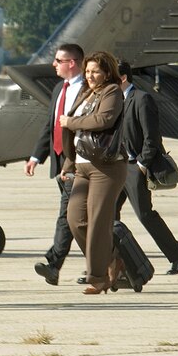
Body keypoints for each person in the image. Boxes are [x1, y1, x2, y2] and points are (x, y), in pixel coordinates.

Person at [59, 50, 128, 295]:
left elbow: (103, 120)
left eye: (95, 71)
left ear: (107, 72)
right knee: (75, 220)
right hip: (81, 166)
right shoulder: (87, 92)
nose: (90, 75)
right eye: (87, 71)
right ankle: (112, 260)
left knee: (98, 222)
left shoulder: (112, 92)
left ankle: (98, 279)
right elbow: (77, 135)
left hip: (106, 168)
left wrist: (70, 122)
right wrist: (68, 165)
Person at [115, 61, 178, 275]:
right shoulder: (111, 101)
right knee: (108, 217)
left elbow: (152, 138)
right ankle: (117, 264)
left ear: (122, 78)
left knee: (145, 215)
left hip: (133, 167)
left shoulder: (141, 99)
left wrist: (141, 165)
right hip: (116, 167)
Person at [24, 43, 85, 286]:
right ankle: (116, 265)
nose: (53, 65)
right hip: (59, 162)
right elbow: (50, 126)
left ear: (72, 63)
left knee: (67, 216)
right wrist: (36, 157)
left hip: (79, 163)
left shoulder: (89, 89)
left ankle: (54, 264)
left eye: (58, 60)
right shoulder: (60, 88)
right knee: (79, 219)